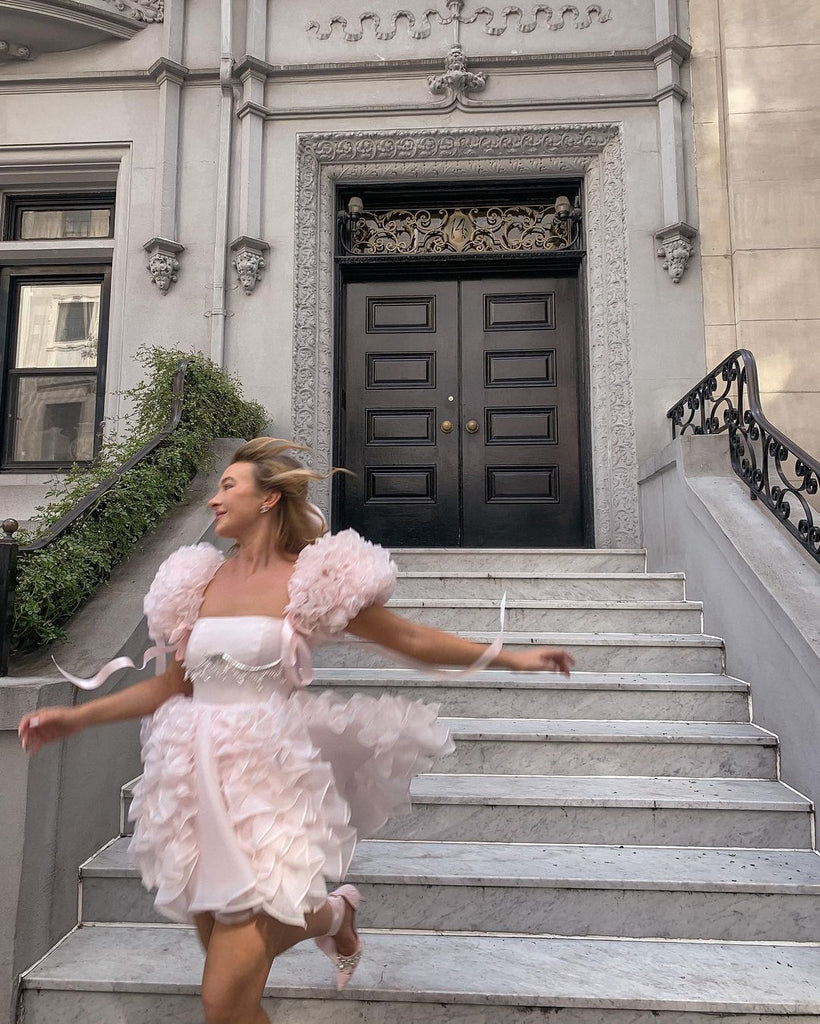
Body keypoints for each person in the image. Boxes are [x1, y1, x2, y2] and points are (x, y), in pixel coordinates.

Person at [18, 438, 575, 1024]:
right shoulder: (197, 582)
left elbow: (409, 638)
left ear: (267, 499)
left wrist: (511, 658)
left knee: (223, 1002)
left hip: (266, 789)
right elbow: (169, 689)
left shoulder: (310, 582)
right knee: (231, 981)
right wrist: (75, 717)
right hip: (194, 786)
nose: (213, 499)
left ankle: (332, 916)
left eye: (228, 486)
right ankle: (334, 916)